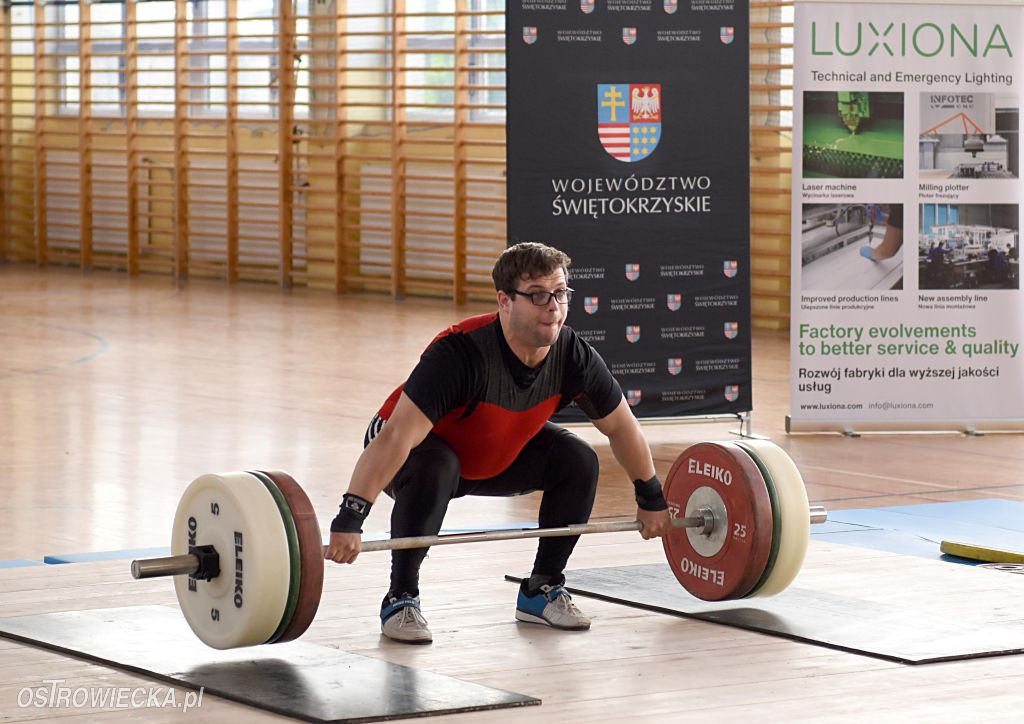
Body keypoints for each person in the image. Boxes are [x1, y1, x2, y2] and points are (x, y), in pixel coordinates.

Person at [325, 242, 671, 644]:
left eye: (560, 294)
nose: (553, 307)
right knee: (437, 467)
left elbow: (622, 427)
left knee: (577, 458)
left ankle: (541, 590)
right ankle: (401, 598)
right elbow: (395, 439)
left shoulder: (572, 354)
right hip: (414, 450)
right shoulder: (460, 353)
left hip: (493, 449)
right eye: (538, 295)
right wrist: (350, 518)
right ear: (505, 301)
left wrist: (651, 497)